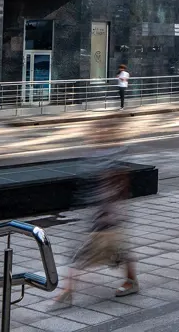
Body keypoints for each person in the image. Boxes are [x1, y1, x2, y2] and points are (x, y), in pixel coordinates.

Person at [54, 120, 139, 306]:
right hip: (95, 214)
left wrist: (112, 210)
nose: (95, 135)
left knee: (116, 250)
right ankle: (68, 290)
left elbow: (121, 185)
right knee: (84, 252)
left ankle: (131, 281)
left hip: (109, 215)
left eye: (100, 132)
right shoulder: (94, 154)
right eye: (95, 132)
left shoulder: (114, 155)